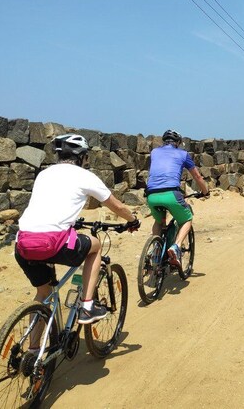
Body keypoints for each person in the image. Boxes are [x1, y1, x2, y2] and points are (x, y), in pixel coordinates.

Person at [15, 133, 140, 325]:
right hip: (54, 244)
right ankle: (87, 306)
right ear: (82, 157)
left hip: (23, 244)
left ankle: (33, 351)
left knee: (43, 294)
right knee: (96, 246)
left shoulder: (44, 174)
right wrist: (132, 220)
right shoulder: (85, 176)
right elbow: (117, 207)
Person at [145, 129, 209, 268]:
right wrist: (205, 191)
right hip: (171, 194)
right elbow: (197, 177)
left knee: (159, 221)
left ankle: (155, 250)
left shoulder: (154, 152)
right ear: (178, 142)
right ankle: (176, 246)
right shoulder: (183, 154)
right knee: (187, 218)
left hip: (151, 195)